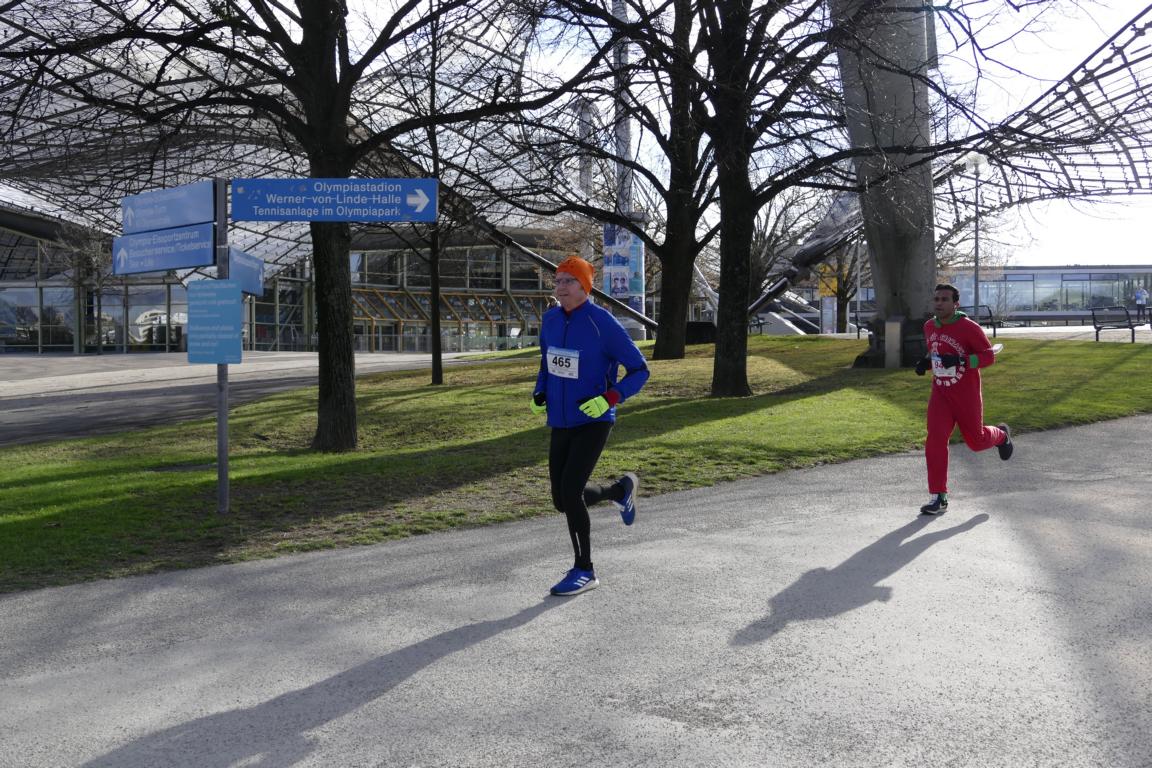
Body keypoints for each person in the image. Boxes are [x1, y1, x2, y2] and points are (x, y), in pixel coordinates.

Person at [531, 255, 650, 596]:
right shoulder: (551, 319)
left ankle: (585, 570)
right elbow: (547, 363)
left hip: (594, 419)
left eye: (568, 281)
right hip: (561, 419)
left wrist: (611, 398)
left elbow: (640, 370)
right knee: (561, 499)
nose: (560, 288)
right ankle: (618, 491)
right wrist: (539, 391)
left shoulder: (602, 322)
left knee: (571, 492)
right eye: (557, 281)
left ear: (585, 286)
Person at [914, 283, 1013, 515]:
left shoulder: (969, 328)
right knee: (935, 439)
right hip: (941, 393)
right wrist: (925, 363)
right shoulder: (929, 326)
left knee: (976, 442)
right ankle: (938, 496)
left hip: (966, 395)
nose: (939, 303)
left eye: (944, 299)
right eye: (936, 299)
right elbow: (934, 351)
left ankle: (1001, 435)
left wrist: (961, 361)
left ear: (955, 304)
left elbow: (988, 357)